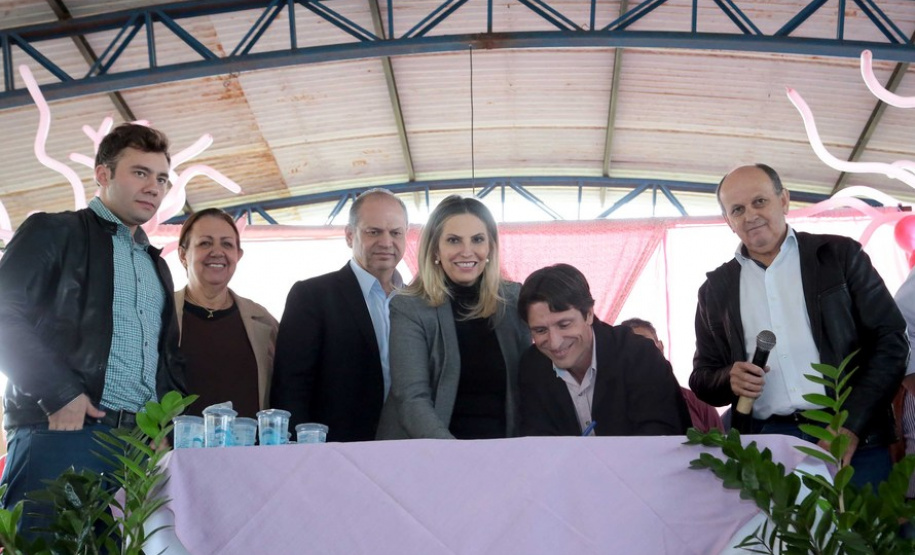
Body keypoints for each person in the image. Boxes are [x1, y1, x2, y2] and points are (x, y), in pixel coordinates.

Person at [0, 123, 187, 536]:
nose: (154, 187)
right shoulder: (54, 231)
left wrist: (162, 427)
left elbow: (165, 358)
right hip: (62, 432)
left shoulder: (155, 264)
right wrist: (59, 393)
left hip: (138, 447)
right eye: (139, 173)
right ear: (103, 175)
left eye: (161, 178)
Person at [691, 163, 907, 488]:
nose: (750, 215)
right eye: (737, 209)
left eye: (759, 201)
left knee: (865, 538)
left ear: (784, 200)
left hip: (851, 437)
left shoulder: (840, 257)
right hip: (769, 446)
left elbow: (890, 342)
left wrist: (850, 424)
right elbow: (702, 377)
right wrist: (728, 378)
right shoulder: (715, 290)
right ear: (728, 221)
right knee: (785, 540)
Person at [376, 195, 531, 440]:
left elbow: (531, 385)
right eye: (453, 240)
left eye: (477, 239)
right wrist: (454, 454)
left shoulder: (514, 299)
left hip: (503, 452)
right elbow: (412, 399)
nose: (467, 251)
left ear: (490, 246)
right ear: (435, 248)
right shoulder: (408, 307)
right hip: (429, 452)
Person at [272, 189, 408, 441]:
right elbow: (291, 388)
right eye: (374, 231)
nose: (387, 242)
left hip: (406, 449)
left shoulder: (418, 302)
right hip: (335, 452)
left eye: (396, 233)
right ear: (349, 235)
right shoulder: (312, 296)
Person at [516, 264, 689, 437]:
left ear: (589, 314)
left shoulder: (639, 356)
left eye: (564, 325)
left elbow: (660, 436)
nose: (555, 343)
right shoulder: (533, 366)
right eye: (540, 331)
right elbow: (538, 441)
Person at [175, 208, 278, 417]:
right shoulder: (157, 314)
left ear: (238, 256)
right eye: (205, 243)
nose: (217, 251)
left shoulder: (264, 322)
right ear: (183, 254)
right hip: (174, 449)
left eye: (227, 244)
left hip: (250, 449)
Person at [620, 318, 724, 433]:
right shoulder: (611, 405)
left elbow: (719, 447)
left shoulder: (696, 402)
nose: (640, 353)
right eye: (630, 348)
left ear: (660, 347)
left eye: (646, 344)